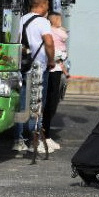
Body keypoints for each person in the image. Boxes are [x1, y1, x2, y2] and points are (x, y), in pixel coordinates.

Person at [13, 0, 55, 152]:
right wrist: (51, 60)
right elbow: (49, 42)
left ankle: (18, 140)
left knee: (21, 104)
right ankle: (35, 142)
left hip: (23, 66)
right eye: (47, 4)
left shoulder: (21, 19)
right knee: (37, 104)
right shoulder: (43, 22)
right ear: (43, 4)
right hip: (39, 68)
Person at [41, 11, 68, 150]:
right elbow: (57, 49)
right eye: (59, 19)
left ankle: (46, 134)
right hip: (51, 70)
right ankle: (44, 135)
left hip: (56, 69)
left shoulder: (56, 32)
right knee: (49, 104)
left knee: (52, 103)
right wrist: (61, 56)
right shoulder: (54, 32)